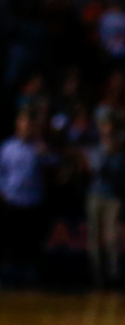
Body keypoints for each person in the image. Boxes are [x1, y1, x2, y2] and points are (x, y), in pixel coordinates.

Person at [0, 109, 53, 277]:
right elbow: (1, 171)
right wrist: (3, 191)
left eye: (29, 124)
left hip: (33, 202)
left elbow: (54, 165)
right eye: (23, 123)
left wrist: (46, 153)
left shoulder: (38, 148)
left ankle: (29, 275)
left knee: (31, 243)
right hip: (12, 200)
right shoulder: (8, 147)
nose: (26, 127)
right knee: (10, 241)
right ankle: (9, 275)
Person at [86, 115, 125, 285]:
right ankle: (97, 275)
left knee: (112, 237)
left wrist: (114, 152)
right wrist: (105, 153)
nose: (107, 132)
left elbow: (120, 172)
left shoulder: (121, 151)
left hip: (113, 197)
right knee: (94, 236)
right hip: (95, 196)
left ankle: (114, 275)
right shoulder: (96, 149)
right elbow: (95, 169)